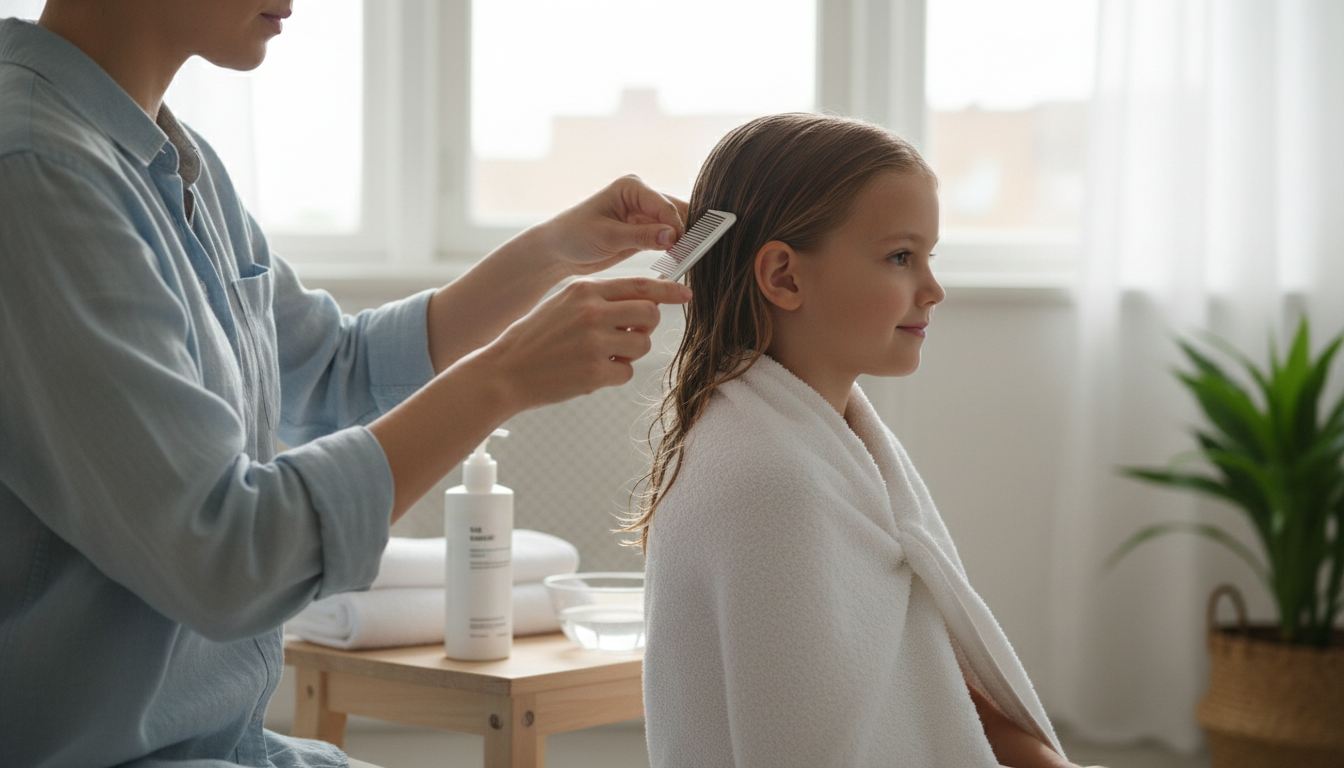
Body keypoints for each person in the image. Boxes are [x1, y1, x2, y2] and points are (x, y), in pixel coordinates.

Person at [0, 3, 690, 767]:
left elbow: (336, 369)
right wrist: (503, 377)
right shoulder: (34, 171)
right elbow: (227, 555)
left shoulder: (172, 163)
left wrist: (552, 253)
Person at [629, 114, 1086, 767]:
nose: (933, 289)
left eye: (930, 258)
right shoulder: (769, 478)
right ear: (784, 276)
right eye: (901, 257)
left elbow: (937, 685)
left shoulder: (835, 441)